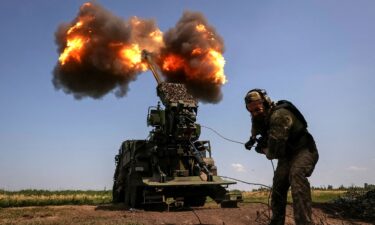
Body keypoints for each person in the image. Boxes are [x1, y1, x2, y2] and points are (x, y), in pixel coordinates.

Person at [244, 89, 319, 225]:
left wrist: (264, 150)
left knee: (296, 175)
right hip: (287, 155)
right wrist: (255, 140)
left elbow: (274, 153)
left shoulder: (279, 116)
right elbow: (257, 130)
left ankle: (304, 223)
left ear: (265, 103)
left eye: (257, 108)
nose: (255, 113)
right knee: (278, 185)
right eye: (251, 110)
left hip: (304, 150)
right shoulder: (260, 117)